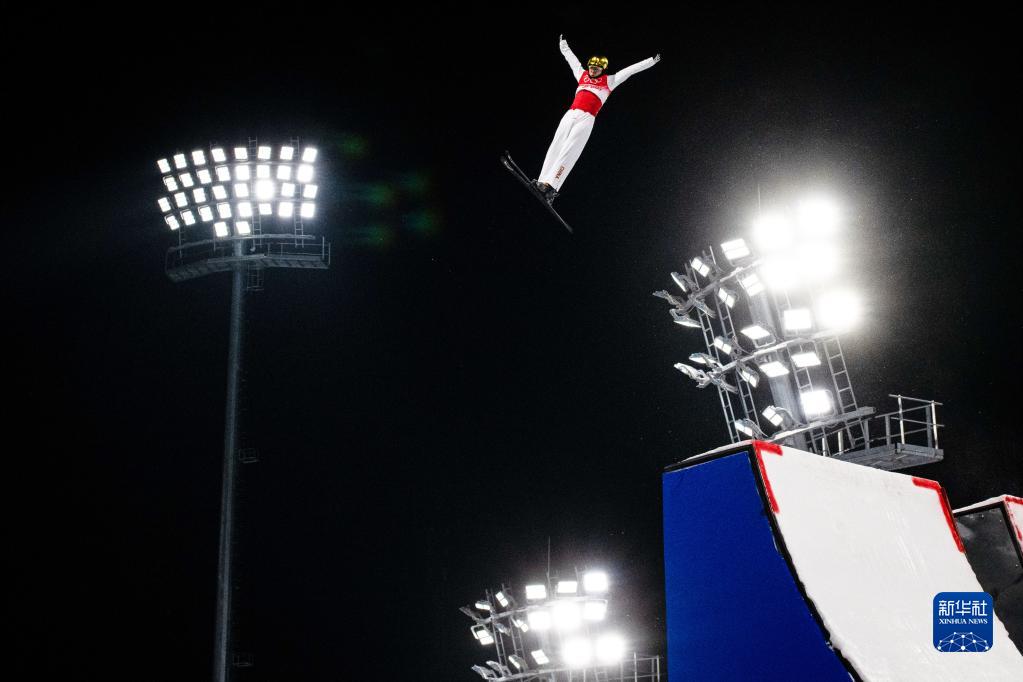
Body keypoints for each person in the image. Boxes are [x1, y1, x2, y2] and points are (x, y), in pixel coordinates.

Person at [535, 35, 660, 202]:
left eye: (596, 68)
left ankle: (552, 187)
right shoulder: (582, 75)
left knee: (570, 150)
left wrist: (650, 62)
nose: (593, 70)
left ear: (603, 69)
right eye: (591, 67)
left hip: (586, 118)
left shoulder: (610, 80)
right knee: (556, 145)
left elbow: (629, 71)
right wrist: (563, 44)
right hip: (571, 113)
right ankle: (541, 182)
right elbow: (572, 60)